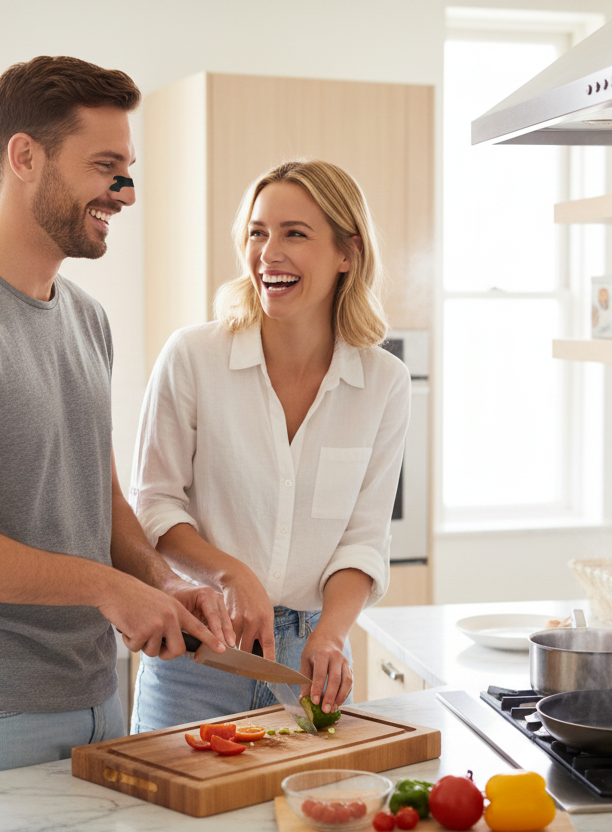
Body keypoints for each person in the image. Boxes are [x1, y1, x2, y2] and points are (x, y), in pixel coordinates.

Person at [0, 55, 234, 786]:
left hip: (96, 699)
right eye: (104, 166)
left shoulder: (86, 319)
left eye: (126, 168)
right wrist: (104, 588)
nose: (123, 192)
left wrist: (153, 582)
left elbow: (96, 494)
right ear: (24, 157)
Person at [128, 159, 410, 732]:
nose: (268, 252)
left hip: (313, 662)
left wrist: (332, 631)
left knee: (298, 816)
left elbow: (363, 538)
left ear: (346, 253)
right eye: (257, 232)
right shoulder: (193, 358)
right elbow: (154, 505)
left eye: (294, 234)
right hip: (202, 651)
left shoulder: (383, 383)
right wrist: (232, 575)